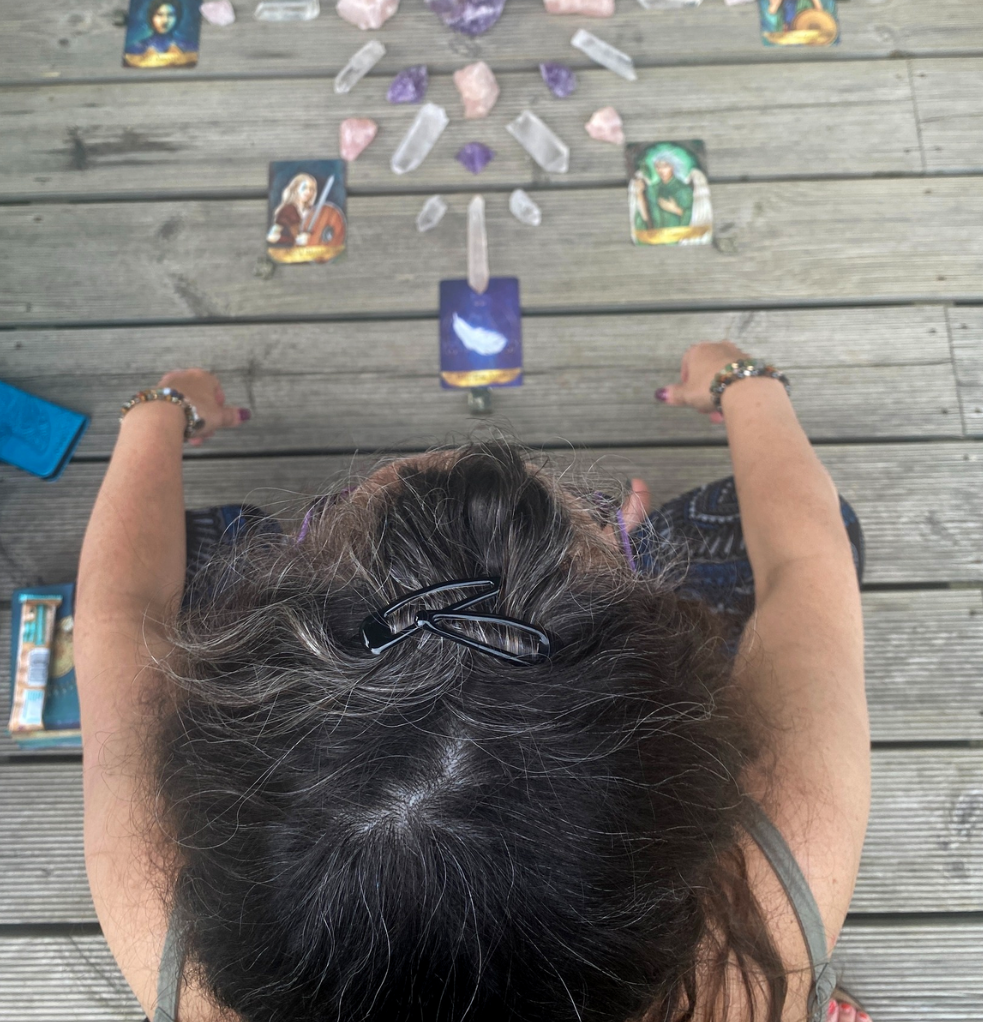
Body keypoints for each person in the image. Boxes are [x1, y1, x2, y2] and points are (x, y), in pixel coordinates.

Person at [77, 342, 872, 1022]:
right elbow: (809, 560)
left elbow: (120, 609)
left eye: (339, 519)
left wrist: (166, 404)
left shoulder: (171, 946)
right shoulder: (764, 931)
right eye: (592, 536)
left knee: (222, 532)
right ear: (674, 775)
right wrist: (739, 377)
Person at [266, 171, 346, 262]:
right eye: (304, 188)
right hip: (294, 256)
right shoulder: (288, 210)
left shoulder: (312, 211)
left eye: (311, 189)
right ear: (295, 189)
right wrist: (295, 240)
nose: (308, 191)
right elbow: (271, 236)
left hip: (312, 255)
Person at [123, 0, 198, 69]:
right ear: (151, 17)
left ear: (178, 18)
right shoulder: (135, 49)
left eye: (171, 15)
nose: (165, 21)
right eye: (159, 14)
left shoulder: (189, 47)